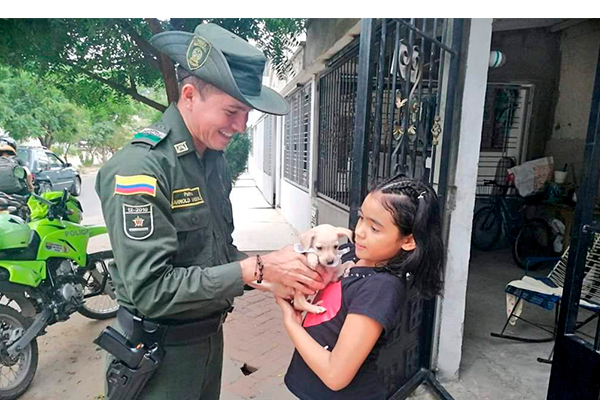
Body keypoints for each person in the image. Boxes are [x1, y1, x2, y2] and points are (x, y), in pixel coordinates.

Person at [95, 23, 324, 400]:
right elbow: (152, 289)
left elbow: (213, 253)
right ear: (189, 95)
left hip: (207, 342)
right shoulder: (141, 168)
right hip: (158, 360)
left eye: (246, 113)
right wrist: (256, 268)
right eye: (232, 111)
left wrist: (274, 276)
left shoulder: (211, 160)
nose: (241, 126)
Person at [276, 175, 445, 400]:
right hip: (310, 384)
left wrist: (291, 322)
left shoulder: (380, 288)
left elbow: (335, 375)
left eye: (374, 228)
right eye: (361, 218)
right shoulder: (349, 254)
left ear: (407, 241)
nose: (360, 232)